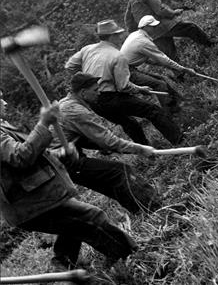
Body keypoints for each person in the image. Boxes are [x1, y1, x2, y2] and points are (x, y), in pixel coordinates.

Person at [0, 90, 139, 272]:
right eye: (0, 99)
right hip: (31, 202)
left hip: (33, 199)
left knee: (72, 228)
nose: (4, 103)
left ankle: (65, 269)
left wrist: (59, 154)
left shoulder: (3, 126)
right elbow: (20, 156)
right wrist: (43, 123)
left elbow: (26, 158)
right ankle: (133, 257)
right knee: (91, 218)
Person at [57, 72, 161, 215]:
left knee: (109, 184)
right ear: (82, 92)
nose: (99, 93)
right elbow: (109, 141)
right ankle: (155, 207)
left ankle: (142, 211)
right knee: (121, 171)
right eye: (95, 90)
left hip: (61, 160)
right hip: (64, 161)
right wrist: (140, 148)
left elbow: (77, 137)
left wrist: (99, 146)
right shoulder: (75, 111)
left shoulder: (66, 104)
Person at [65, 19, 183, 145]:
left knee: (128, 123)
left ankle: (146, 152)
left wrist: (88, 78)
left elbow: (69, 66)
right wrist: (139, 89)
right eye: (118, 34)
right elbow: (124, 86)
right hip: (110, 98)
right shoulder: (117, 56)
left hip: (93, 102)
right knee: (152, 110)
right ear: (112, 36)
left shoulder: (87, 50)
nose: (121, 36)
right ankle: (179, 140)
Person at [124, 0, 213, 64]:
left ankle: (180, 76)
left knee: (171, 55)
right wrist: (174, 13)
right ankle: (211, 45)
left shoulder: (131, 2)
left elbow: (129, 22)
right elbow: (160, 10)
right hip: (163, 26)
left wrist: (135, 33)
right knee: (191, 28)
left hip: (151, 34)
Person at [121, 15, 199, 114]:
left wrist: (162, 64)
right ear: (145, 27)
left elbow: (142, 58)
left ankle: (182, 103)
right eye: (153, 27)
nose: (155, 28)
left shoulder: (135, 35)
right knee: (159, 84)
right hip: (125, 72)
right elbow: (163, 59)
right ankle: (171, 113)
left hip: (127, 69)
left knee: (161, 80)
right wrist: (184, 69)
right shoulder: (142, 42)